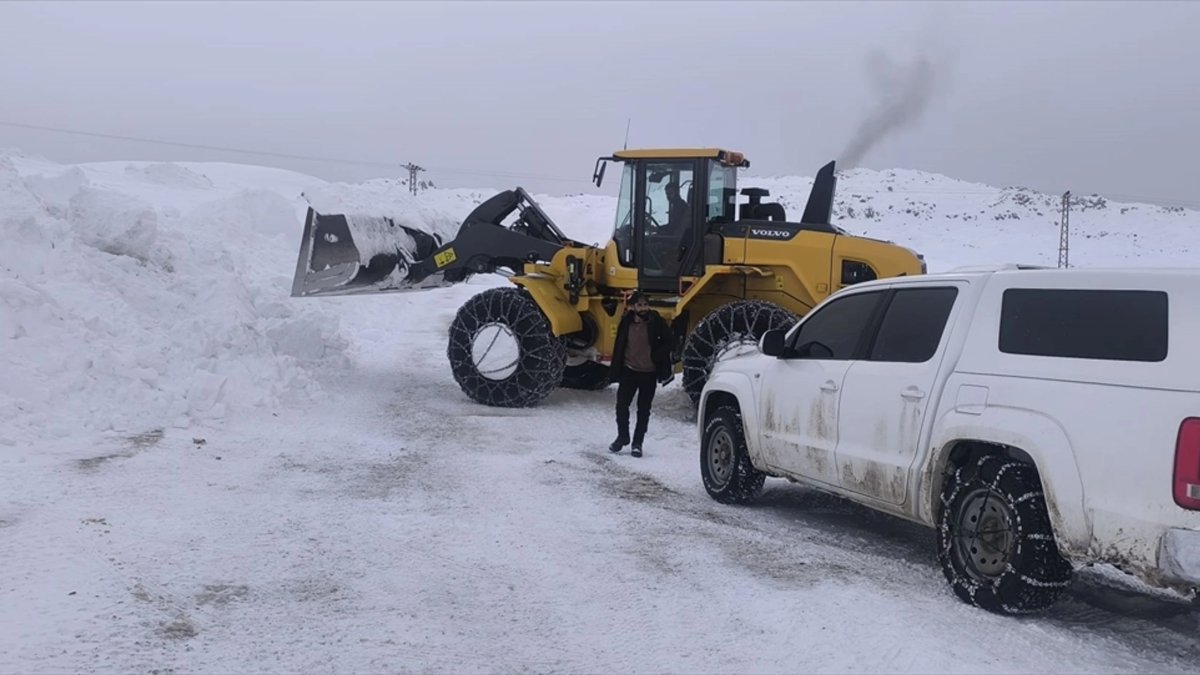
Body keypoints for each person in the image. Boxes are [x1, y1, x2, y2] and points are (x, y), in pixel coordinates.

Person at [608, 292, 674, 457]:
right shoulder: (626, 322)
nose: (643, 308)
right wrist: (616, 369)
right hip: (629, 371)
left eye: (645, 305)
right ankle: (622, 437)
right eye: (639, 305)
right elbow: (619, 346)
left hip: (649, 374)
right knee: (621, 406)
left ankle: (638, 443)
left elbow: (671, 342)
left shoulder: (656, 322)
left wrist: (657, 355)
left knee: (643, 410)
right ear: (633, 307)